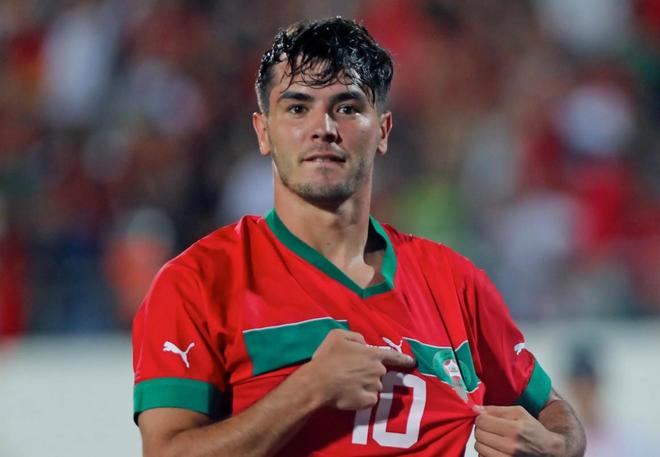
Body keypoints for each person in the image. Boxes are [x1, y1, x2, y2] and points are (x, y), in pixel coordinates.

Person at [132, 17, 586, 457]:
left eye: (347, 108)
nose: (323, 129)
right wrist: (307, 390)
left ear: (383, 131)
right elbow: (166, 450)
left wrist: (556, 446)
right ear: (263, 132)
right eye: (297, 108)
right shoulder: (196, 284)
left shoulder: (454, 284)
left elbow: (555, 413)